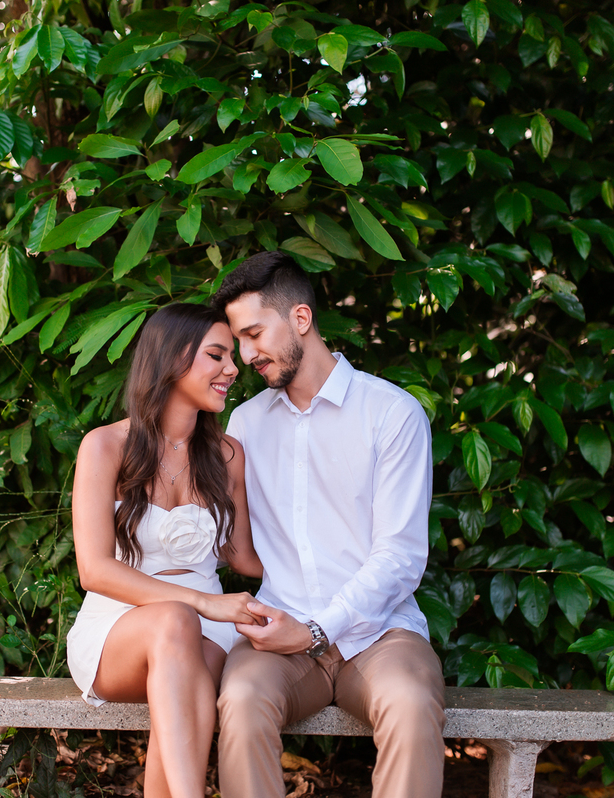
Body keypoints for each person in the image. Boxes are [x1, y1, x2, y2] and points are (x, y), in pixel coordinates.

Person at [211, 252, 446, 798]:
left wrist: (318, 629)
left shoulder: (392, 414)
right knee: (241, 700)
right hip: (281, 632)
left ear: (301, 318)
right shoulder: (244, 424)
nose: (246, 356)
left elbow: (400, 557)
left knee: (411, 704)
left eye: (254, 334)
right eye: (238, 341)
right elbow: (232, 543)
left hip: (380, 634)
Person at [65, 302, 263, 798]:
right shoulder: (104, 446)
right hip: (118, 626)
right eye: (217, 355)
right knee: (176, 621)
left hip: (209, 631)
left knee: (186, 687)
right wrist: (202, 603)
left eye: (231, 357)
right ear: (174, 358)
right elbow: (94, 570)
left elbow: (244, 559)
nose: (233, 369)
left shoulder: (227, 456)